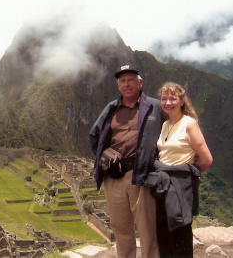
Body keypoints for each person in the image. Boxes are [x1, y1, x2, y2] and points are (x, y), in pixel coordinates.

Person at [89, 64, 163, 258]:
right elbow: (95, 136)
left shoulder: (155, 106)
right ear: (118, 86)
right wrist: (104, 158)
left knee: (147, 227)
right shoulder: (111, 108)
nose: (126, 84)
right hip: (114, 177)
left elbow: (173, 130)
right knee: (120, 227)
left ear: (140, 83)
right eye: (122, 81)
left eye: (131, 80)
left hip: (141, 175)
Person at [154, 82, 213, 257]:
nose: (168, 102)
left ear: (181, 101)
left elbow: (207, 159)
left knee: (180, 233)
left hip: (179, 188)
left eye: (173, 98)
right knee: (163, 234)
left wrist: (188, 174)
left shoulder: (189, 124)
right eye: (164, 99)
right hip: (162, 186)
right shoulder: (166, 124)